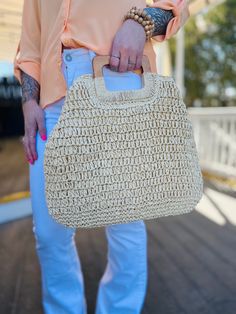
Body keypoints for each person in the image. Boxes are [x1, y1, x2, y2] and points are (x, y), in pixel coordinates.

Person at [14, 1, 189, 313]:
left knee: (125, 224)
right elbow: (31, 39)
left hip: (118, 73)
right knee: (49, 230)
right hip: (52, 98)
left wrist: (139, 23)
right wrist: (29, 100)